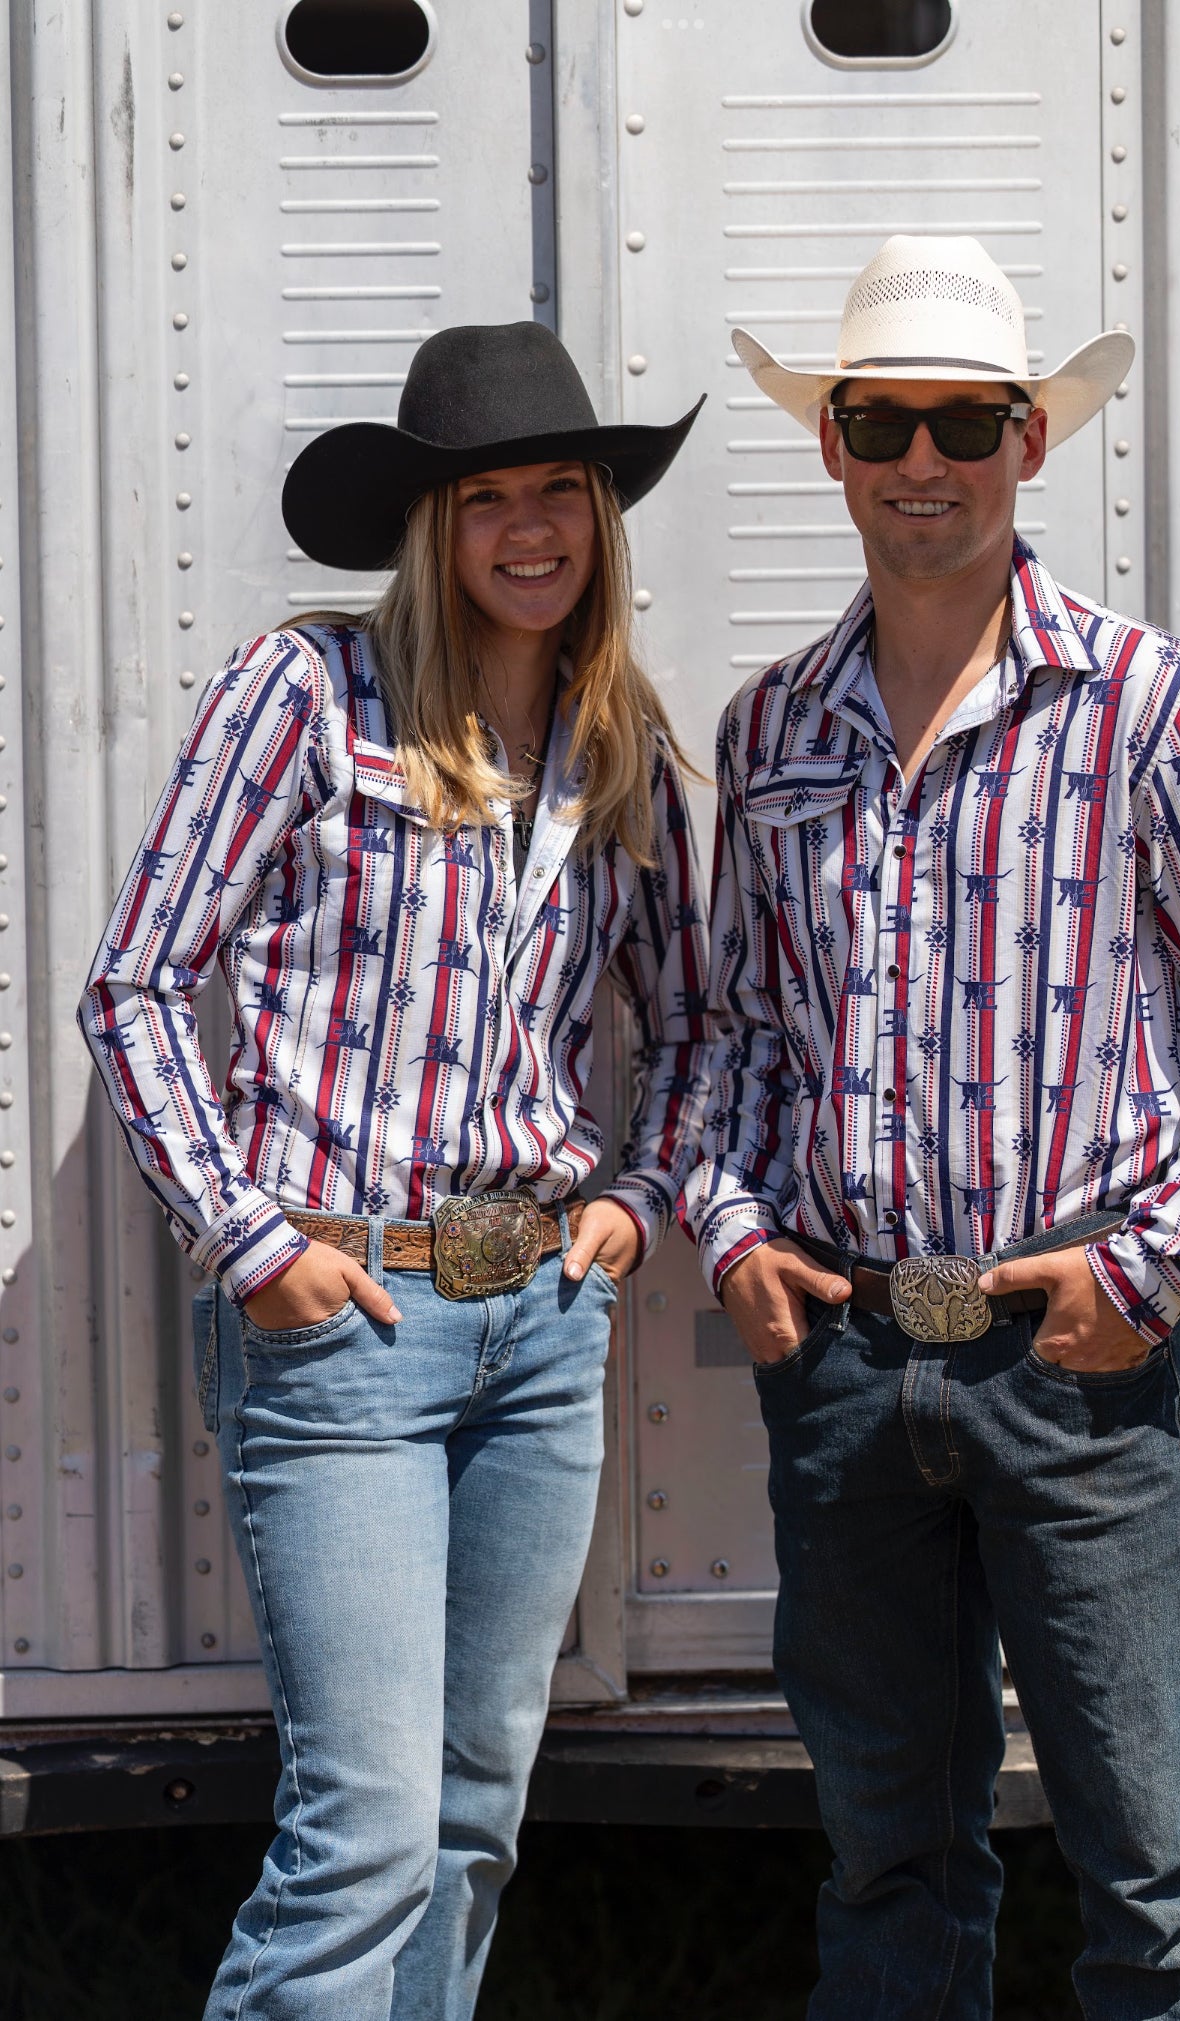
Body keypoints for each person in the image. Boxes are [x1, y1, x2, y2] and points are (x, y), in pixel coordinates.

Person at [682, 235, 1180, 2018]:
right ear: (829, 443)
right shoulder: (773, 730)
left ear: (1028, 441)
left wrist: (1149, 1267)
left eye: (961, 421)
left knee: (1156, 1878)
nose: (921, 459)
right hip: (843, 1367)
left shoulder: (1152, 705)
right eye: (880, 418)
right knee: (890, 1867)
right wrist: (733, 1232)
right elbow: (730, 1025)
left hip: (1079, 1370)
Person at [79, 321, 712, 2020]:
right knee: (361, 1827)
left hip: (541, 1329)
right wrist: (247, 1236)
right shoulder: (304, 696)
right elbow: (133, 983)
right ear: (430, 527)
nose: (527, 529)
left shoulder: (621, 744)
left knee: (471, 1812)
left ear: (600, 518)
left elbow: (703, 1027)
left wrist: (630, 1201)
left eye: (559, 493)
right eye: (485, 496)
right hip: (344, 1318)